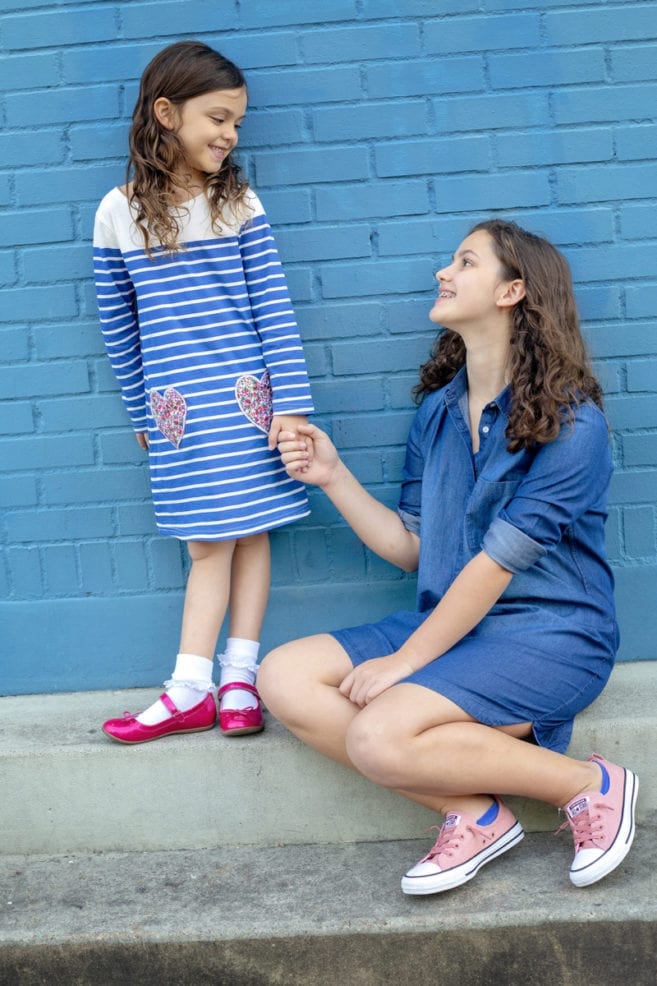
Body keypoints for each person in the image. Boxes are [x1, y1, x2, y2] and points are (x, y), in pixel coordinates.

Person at [258, 219, 638, 894]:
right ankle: (471, 813)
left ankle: (589, 783)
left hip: (552, 636)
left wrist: (404, 663)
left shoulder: (574, 424)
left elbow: (494, 566)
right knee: (283, 676)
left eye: (464, 262)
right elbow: (412, 550)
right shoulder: (436, 412)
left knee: (379, 733)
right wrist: (332, 476)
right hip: (453, 625)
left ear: (512, 291)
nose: (443, 272)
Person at [94, 41, 314, 743]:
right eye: (217, 117)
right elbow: (118, 327)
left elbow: (273, 307)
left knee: (251, 532)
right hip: (179, 413)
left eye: (237, 123)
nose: (229, 133)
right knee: (206, 543)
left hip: (249, 401)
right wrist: (140, 412)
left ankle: (235, 681)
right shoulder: (117, 214)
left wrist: (291, 406)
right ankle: (194, 686)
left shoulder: (237, 203)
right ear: (166, 113)